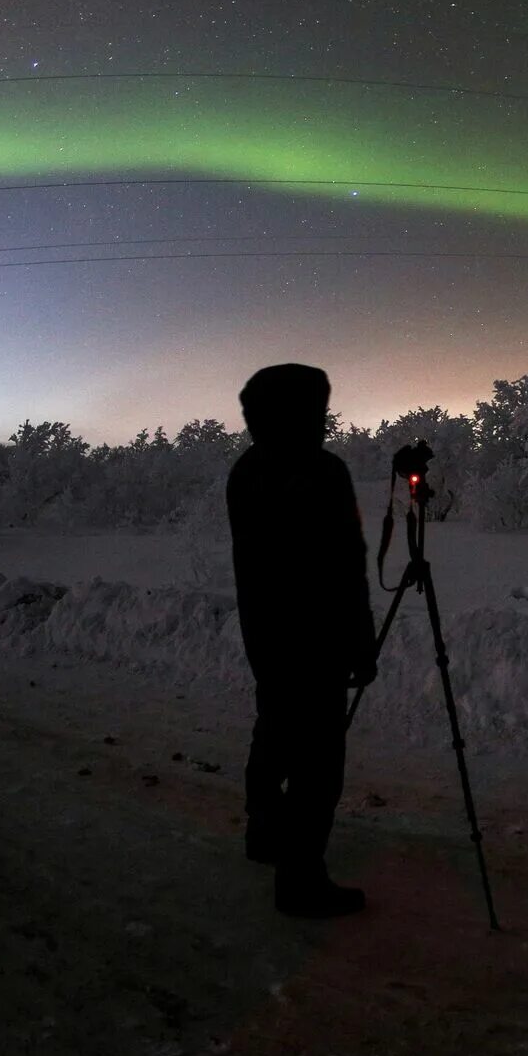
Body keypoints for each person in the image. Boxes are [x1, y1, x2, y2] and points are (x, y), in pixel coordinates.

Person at [227, 363, 378, 918]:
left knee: (274, 731)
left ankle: (265, 833)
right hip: (313, 643)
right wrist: (358, 641)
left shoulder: (247, 470)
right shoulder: (320, 472)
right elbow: (345, 564)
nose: (323, 419)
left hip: (266, 636)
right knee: (318, 761)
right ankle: (301, 878)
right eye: (316, 409)